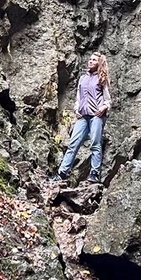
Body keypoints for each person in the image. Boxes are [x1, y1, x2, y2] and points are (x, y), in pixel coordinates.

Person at [56, 53, 112, 183]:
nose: (90, 61)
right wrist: (76, 109)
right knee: (73, 144)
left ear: (99, 63)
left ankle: (94, 173)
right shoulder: (83, 78)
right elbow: (78, 97)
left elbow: (108, 100)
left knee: (95, 144)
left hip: (96, 117)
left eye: (94, 60)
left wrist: (102, 109)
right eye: (90, 59)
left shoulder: (102, 78)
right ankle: (62, 173)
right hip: (82, 117)